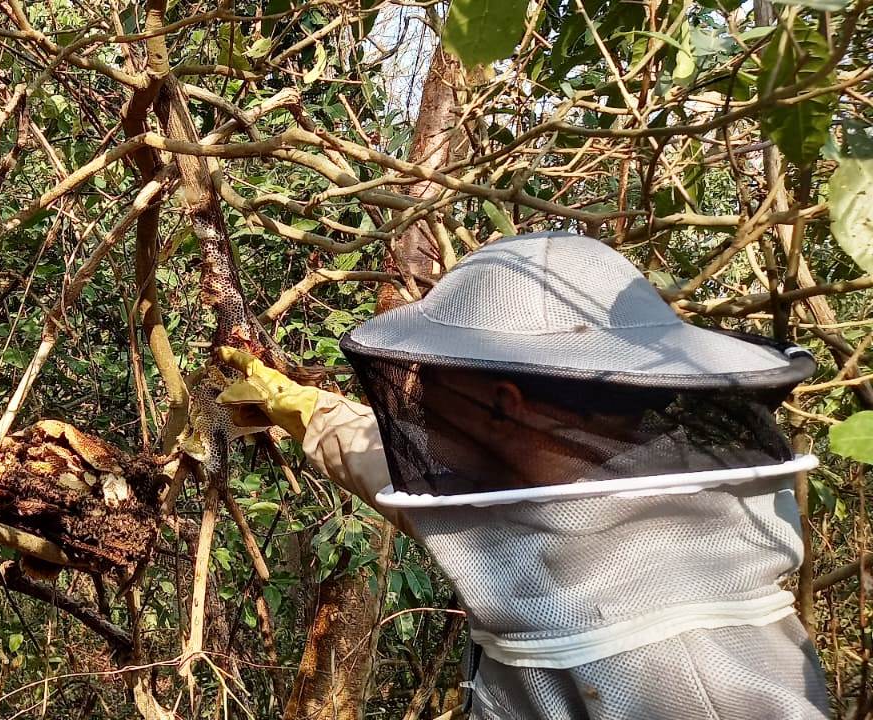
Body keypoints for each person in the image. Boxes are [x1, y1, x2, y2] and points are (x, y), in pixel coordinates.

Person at [218, 231, 832, 719]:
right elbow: (418, 483)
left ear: (503, 404)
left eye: (434, 375)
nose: (417, 398)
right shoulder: (549, 490)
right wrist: (301, 407)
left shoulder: (701, 684)